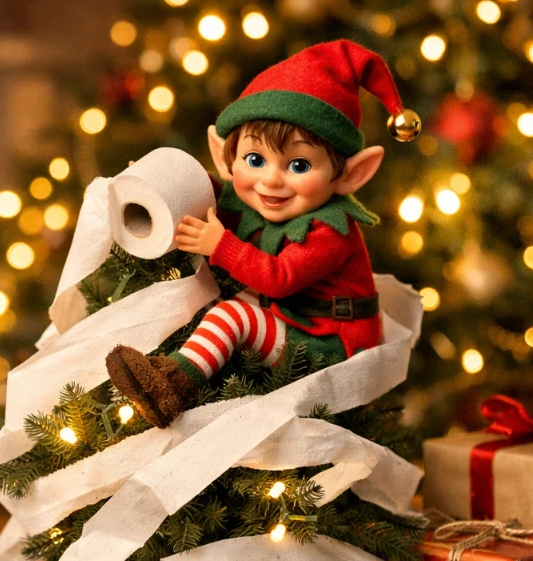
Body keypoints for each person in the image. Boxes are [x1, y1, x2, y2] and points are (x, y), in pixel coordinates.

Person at [106, 39, 419, 428]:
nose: (270, 180)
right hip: (295, 317)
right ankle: (184, 359)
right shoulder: (262, 201)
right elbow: (221, 199)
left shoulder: (330, 232)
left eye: (299, 165)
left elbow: (280, 277)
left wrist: (220, 244)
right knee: (214, 299)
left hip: (332, 342)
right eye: (254, 160)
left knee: (233, 314)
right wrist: (162, 184)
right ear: (226, 158)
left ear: (350, 175)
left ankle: (171, 384)